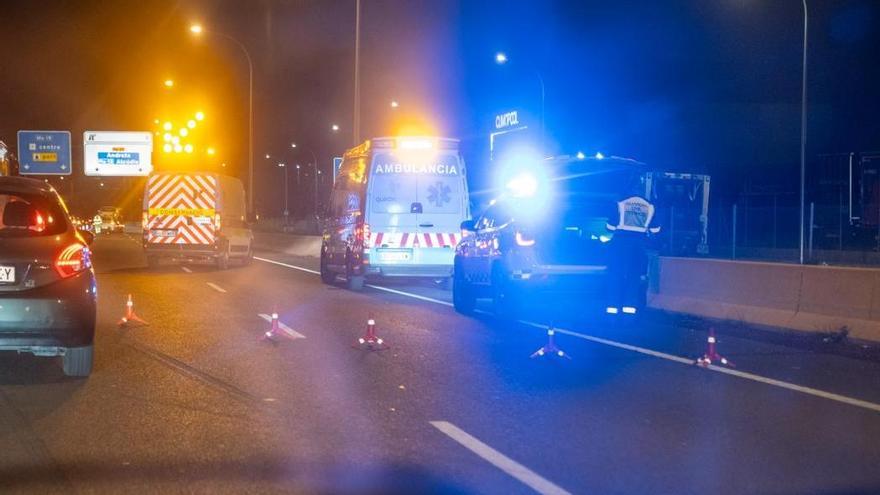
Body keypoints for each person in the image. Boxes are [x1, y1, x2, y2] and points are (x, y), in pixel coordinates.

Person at [605, 188, 660, 316]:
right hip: (639, 246)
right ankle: (629, 314)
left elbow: (609, 227)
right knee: (633, 277)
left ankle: (612, 314)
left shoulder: (621, 204)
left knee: (615, 276)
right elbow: (656, 230)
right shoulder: (650, 206)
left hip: (619, 244)